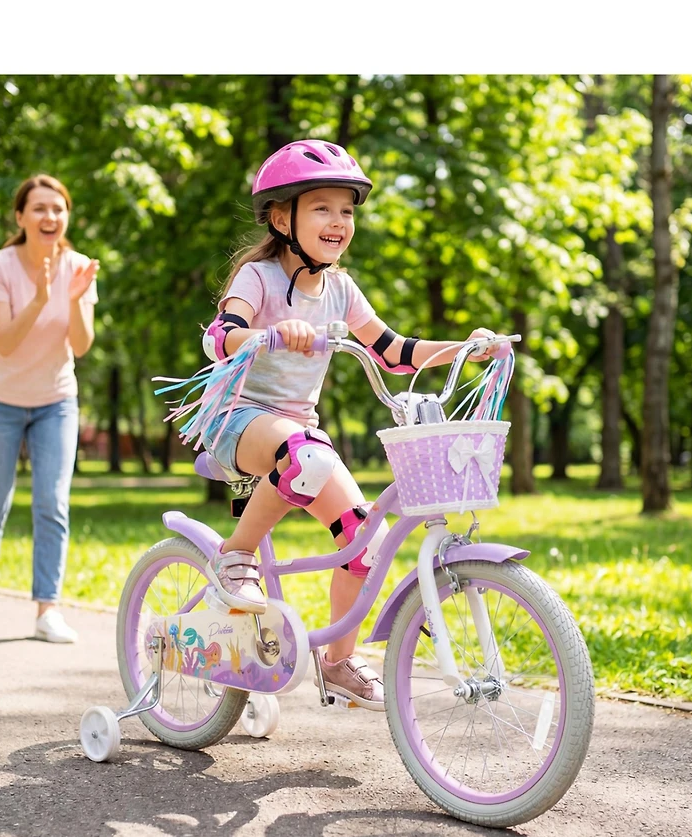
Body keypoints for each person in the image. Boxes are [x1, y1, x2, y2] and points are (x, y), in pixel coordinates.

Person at [200, 140, 494, 709]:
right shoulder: (258, 279)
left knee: (366, 543)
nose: (339, 221)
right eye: (323, 208)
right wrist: (267, 335)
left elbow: (394, 351)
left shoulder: (340, 288)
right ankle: (234, 554)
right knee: (303, 454)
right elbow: (220, 336)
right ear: (283, 218)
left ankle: (337, 661)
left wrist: (468, 347)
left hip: (299, 431)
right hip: (237, 420)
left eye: (348, 210)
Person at [0, 174, 99, 643]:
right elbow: (6, 341)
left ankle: (47, 611)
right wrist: (40, 296)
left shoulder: (78, 267)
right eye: (39, 208)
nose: (49, 217)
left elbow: (80, 346)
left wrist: (73, 300)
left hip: (56, 400)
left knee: (52, 503)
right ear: (20, 217)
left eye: (58, 209)